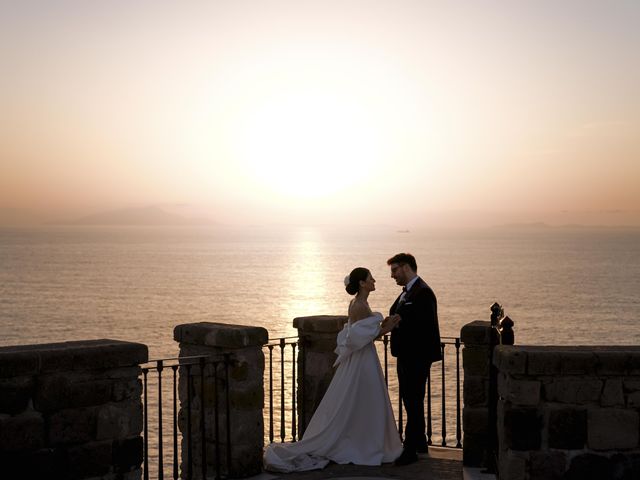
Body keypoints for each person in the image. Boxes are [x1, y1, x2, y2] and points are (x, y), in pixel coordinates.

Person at [263, 267, 403, 473]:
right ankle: (366, 445)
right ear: (362, 283)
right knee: (368, 398)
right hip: (363, 359)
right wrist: (386, 328)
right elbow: (360, 338)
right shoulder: (360, 305)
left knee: (360, 400)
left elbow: (360, 332)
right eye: (370, 278)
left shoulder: (358, 303)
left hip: (362, 358)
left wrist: (380, 326)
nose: (374, 280)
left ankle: (364, 440)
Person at [387, 253, 442, 466]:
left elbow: (425, 324)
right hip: (407, 354)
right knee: (411, 400)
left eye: (394, 270)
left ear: (406, 267)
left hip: (417, 356)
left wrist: (400, 322)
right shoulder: (409, 292)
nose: (392, 276)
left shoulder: (423, 292)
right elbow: (398, 313)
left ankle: (410, 450)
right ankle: (419, 443)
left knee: (413, 400)